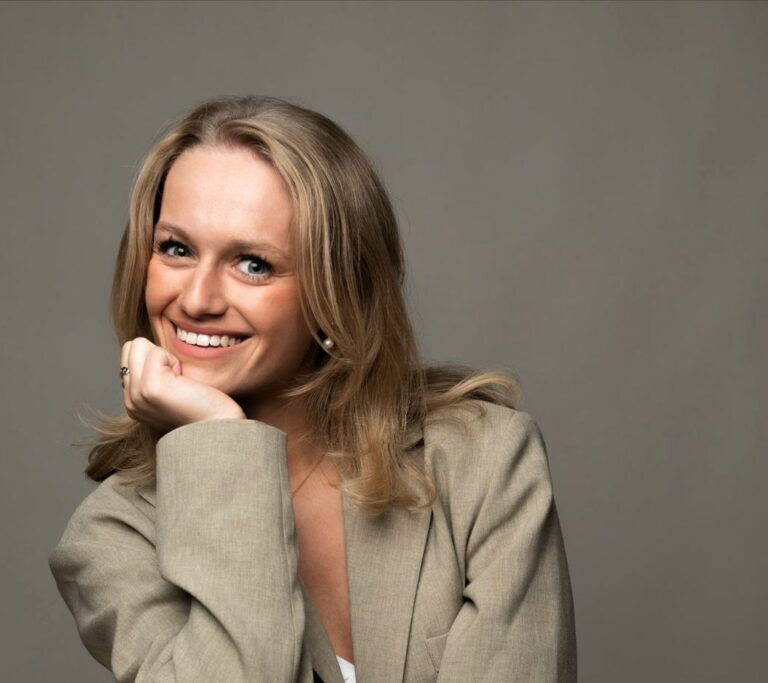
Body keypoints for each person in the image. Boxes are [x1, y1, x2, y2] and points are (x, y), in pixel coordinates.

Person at [48, 95, 577, 682]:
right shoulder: (114, 537)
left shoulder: (484, 461)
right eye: (176, 249)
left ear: (335, 291)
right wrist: (220, 439)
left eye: (253, 264)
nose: (196, 300)